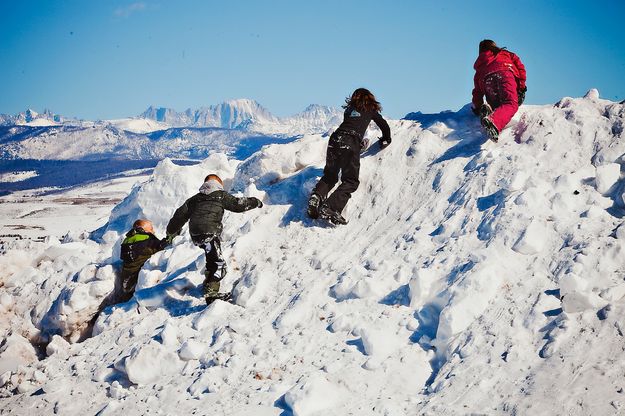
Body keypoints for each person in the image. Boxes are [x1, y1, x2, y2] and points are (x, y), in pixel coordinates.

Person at [165, 174, 263, 304]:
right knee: (219, 265)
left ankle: (208, 283)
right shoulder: (220, 195)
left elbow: (179, 215)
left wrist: (171, 232)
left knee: (212, 258)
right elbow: (237, 205)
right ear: (218, 184)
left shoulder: (194, 199)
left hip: (196, 234)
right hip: (209, 232)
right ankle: (211, 292)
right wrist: (256, 202)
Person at [307, 88, 391, 225]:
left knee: (330, 175)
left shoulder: (349, 110)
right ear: (370, 98)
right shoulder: (370, 109)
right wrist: (386, 139)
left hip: (335, 140)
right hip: (350, 141)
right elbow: (384, 126)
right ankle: (331, 207)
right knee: (351, 181)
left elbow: (353, 123)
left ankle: (316, 197)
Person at [471, 39, 527, 142]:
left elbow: (477, 91)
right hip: (505, 74)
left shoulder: (480, 65)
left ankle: (488, 110)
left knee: (497, 105)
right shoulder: (506, 54)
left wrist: (478, 107)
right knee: (510, 103)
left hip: (486, 80)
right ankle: (494, 121)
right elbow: (521, 68)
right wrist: (522, 87)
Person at [115, 219, 169, 304]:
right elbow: (159, 247)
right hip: (138, 277)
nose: (153, 231)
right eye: (151, 229)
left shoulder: (127, 239)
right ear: (142, 229)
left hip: (126, 275)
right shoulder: (147, 238)